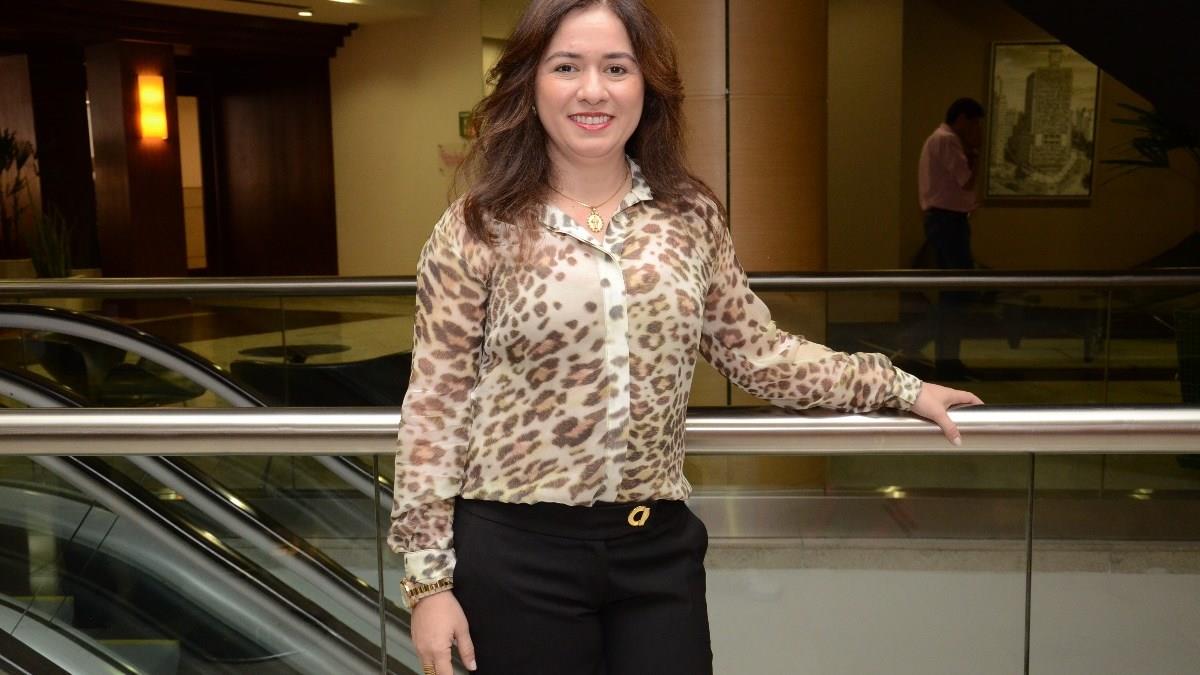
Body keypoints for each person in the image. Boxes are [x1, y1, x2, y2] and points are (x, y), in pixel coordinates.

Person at [390, 2, 983, 673]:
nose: (593, 90)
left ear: (647, 86)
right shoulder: (478, 225)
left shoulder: (689, 214)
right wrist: (428, 583)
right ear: (531, 84)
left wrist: (900, 387)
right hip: (516, 555)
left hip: (656, 552)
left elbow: (759, 353)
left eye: (617, 68)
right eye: (567, 67)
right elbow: (435, 404)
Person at [917, 97, 986, 379]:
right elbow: (966, 180)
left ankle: (947, 358)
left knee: (952, 292)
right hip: (948, 222)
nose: (977, 130)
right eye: (975, 123)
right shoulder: (947, 140)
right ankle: (946, 360)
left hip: (943, 220)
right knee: (956, 292)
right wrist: (976, 154)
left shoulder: (938, 139)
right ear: (963, 119)